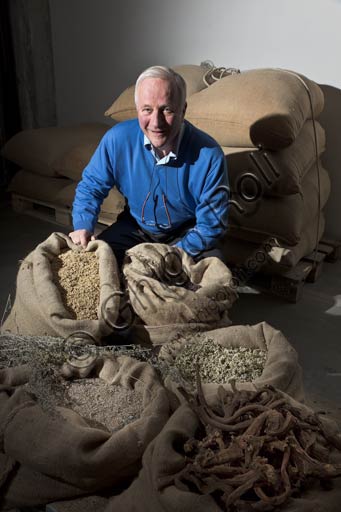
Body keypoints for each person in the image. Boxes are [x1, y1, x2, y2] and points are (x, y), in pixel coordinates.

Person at [69, 65, 229, 267]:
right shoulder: (117, 139)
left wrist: (170, 258)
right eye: (147, 110)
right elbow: (91, 186)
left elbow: (211, 225)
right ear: (137, 110)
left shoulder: (209, 156)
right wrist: (83, 225)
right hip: (134, 229)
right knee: (98, 265)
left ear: (183, 110)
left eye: (167, 110)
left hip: (187, 233)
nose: (156, 122)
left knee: (211, 278)